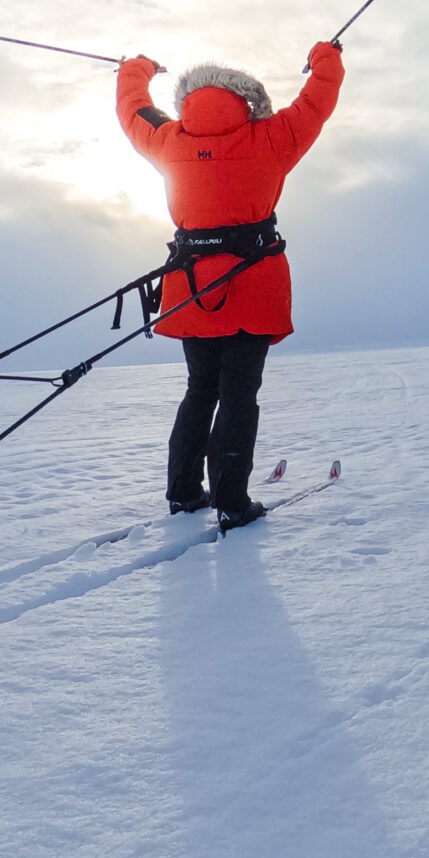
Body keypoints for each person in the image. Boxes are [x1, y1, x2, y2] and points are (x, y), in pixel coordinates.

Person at [115, 41, 345, 528]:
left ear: (188, 100)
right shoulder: (273, 137)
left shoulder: (170, 140)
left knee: (200, 387)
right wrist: (326, 56)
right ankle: (232, 502)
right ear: (251, 101)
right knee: (240, 391)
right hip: (253, 287)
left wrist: (137, 68)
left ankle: (183, 493)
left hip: (191, 290)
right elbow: (317, 101)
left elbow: (134, 111)